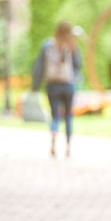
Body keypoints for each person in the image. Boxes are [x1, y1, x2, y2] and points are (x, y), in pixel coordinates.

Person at [31, 21, 81, 157]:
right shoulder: (72, 46)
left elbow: (39, 66)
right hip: (68, 85)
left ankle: (53, 139)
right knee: (69, 116)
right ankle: (68, 146)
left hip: (53, 85)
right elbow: (78, 65)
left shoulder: (48, 44)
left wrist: (35, 85)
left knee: (55, 116)